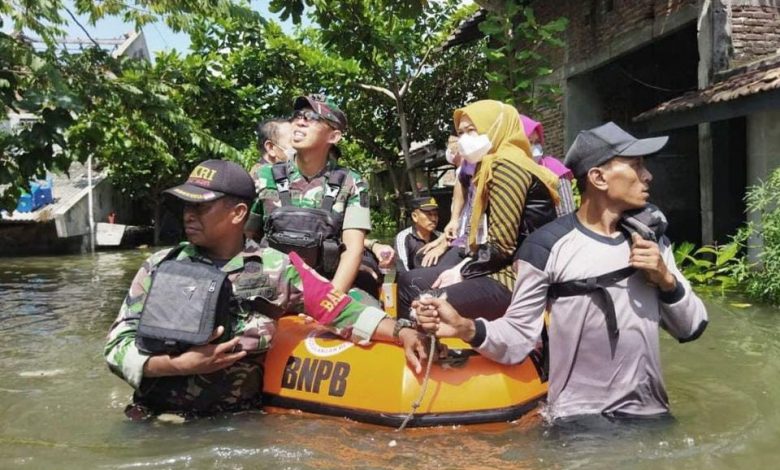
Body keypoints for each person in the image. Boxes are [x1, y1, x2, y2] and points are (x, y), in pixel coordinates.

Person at [415, 122, 709, 421]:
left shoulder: (650, 238)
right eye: (635, 166)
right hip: (579, 420)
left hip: (652, 415)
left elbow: (692, 327)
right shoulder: (545, 248)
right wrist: (466, 327)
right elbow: (519, 336)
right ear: (598, 177)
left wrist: (665, 280)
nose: (648, 176)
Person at [105, 159, 427, 419]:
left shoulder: (279, 268)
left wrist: (402, 331)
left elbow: (341, 310)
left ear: (238, 214)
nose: (188, 215)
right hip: (152, 420)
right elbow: (117, 346)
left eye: (201, 207)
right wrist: (177, 365)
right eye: (185, 205)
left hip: (236, 425)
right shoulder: (160, 265)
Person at [396, 100, 560, 320]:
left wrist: (462, 272)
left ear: (496, 128)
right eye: (461, 132)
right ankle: (415, 342)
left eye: (472, 131)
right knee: (408, 281)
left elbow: (501, 246)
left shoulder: (507, 167)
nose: (464, 139)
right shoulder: (488, 167)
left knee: (427, 302)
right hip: (496, 264)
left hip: (517, 276)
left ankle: (434, 348)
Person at [248, 94, 379, 299]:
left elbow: (353, 249)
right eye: (298, 115)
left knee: (372, 319)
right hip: (269, 287)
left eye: (312, 117)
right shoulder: (264, 176)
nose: (300, 121)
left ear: (333, 137)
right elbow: (243, 235)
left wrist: (329, 301)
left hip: (328, 285)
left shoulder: (352, 182)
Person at [519, 114, 576, 216]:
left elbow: (567, 213)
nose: (534, 147)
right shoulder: (512, 172)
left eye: (537, 142)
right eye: (529, 142)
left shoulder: (553, 168)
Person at [394, 196, 448, 273]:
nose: (433, 219)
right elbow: (402, 269)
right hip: (410, 280)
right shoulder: (403, 237)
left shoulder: (441, 237)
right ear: (415, 217)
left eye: (435, 214)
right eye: (429, 214)